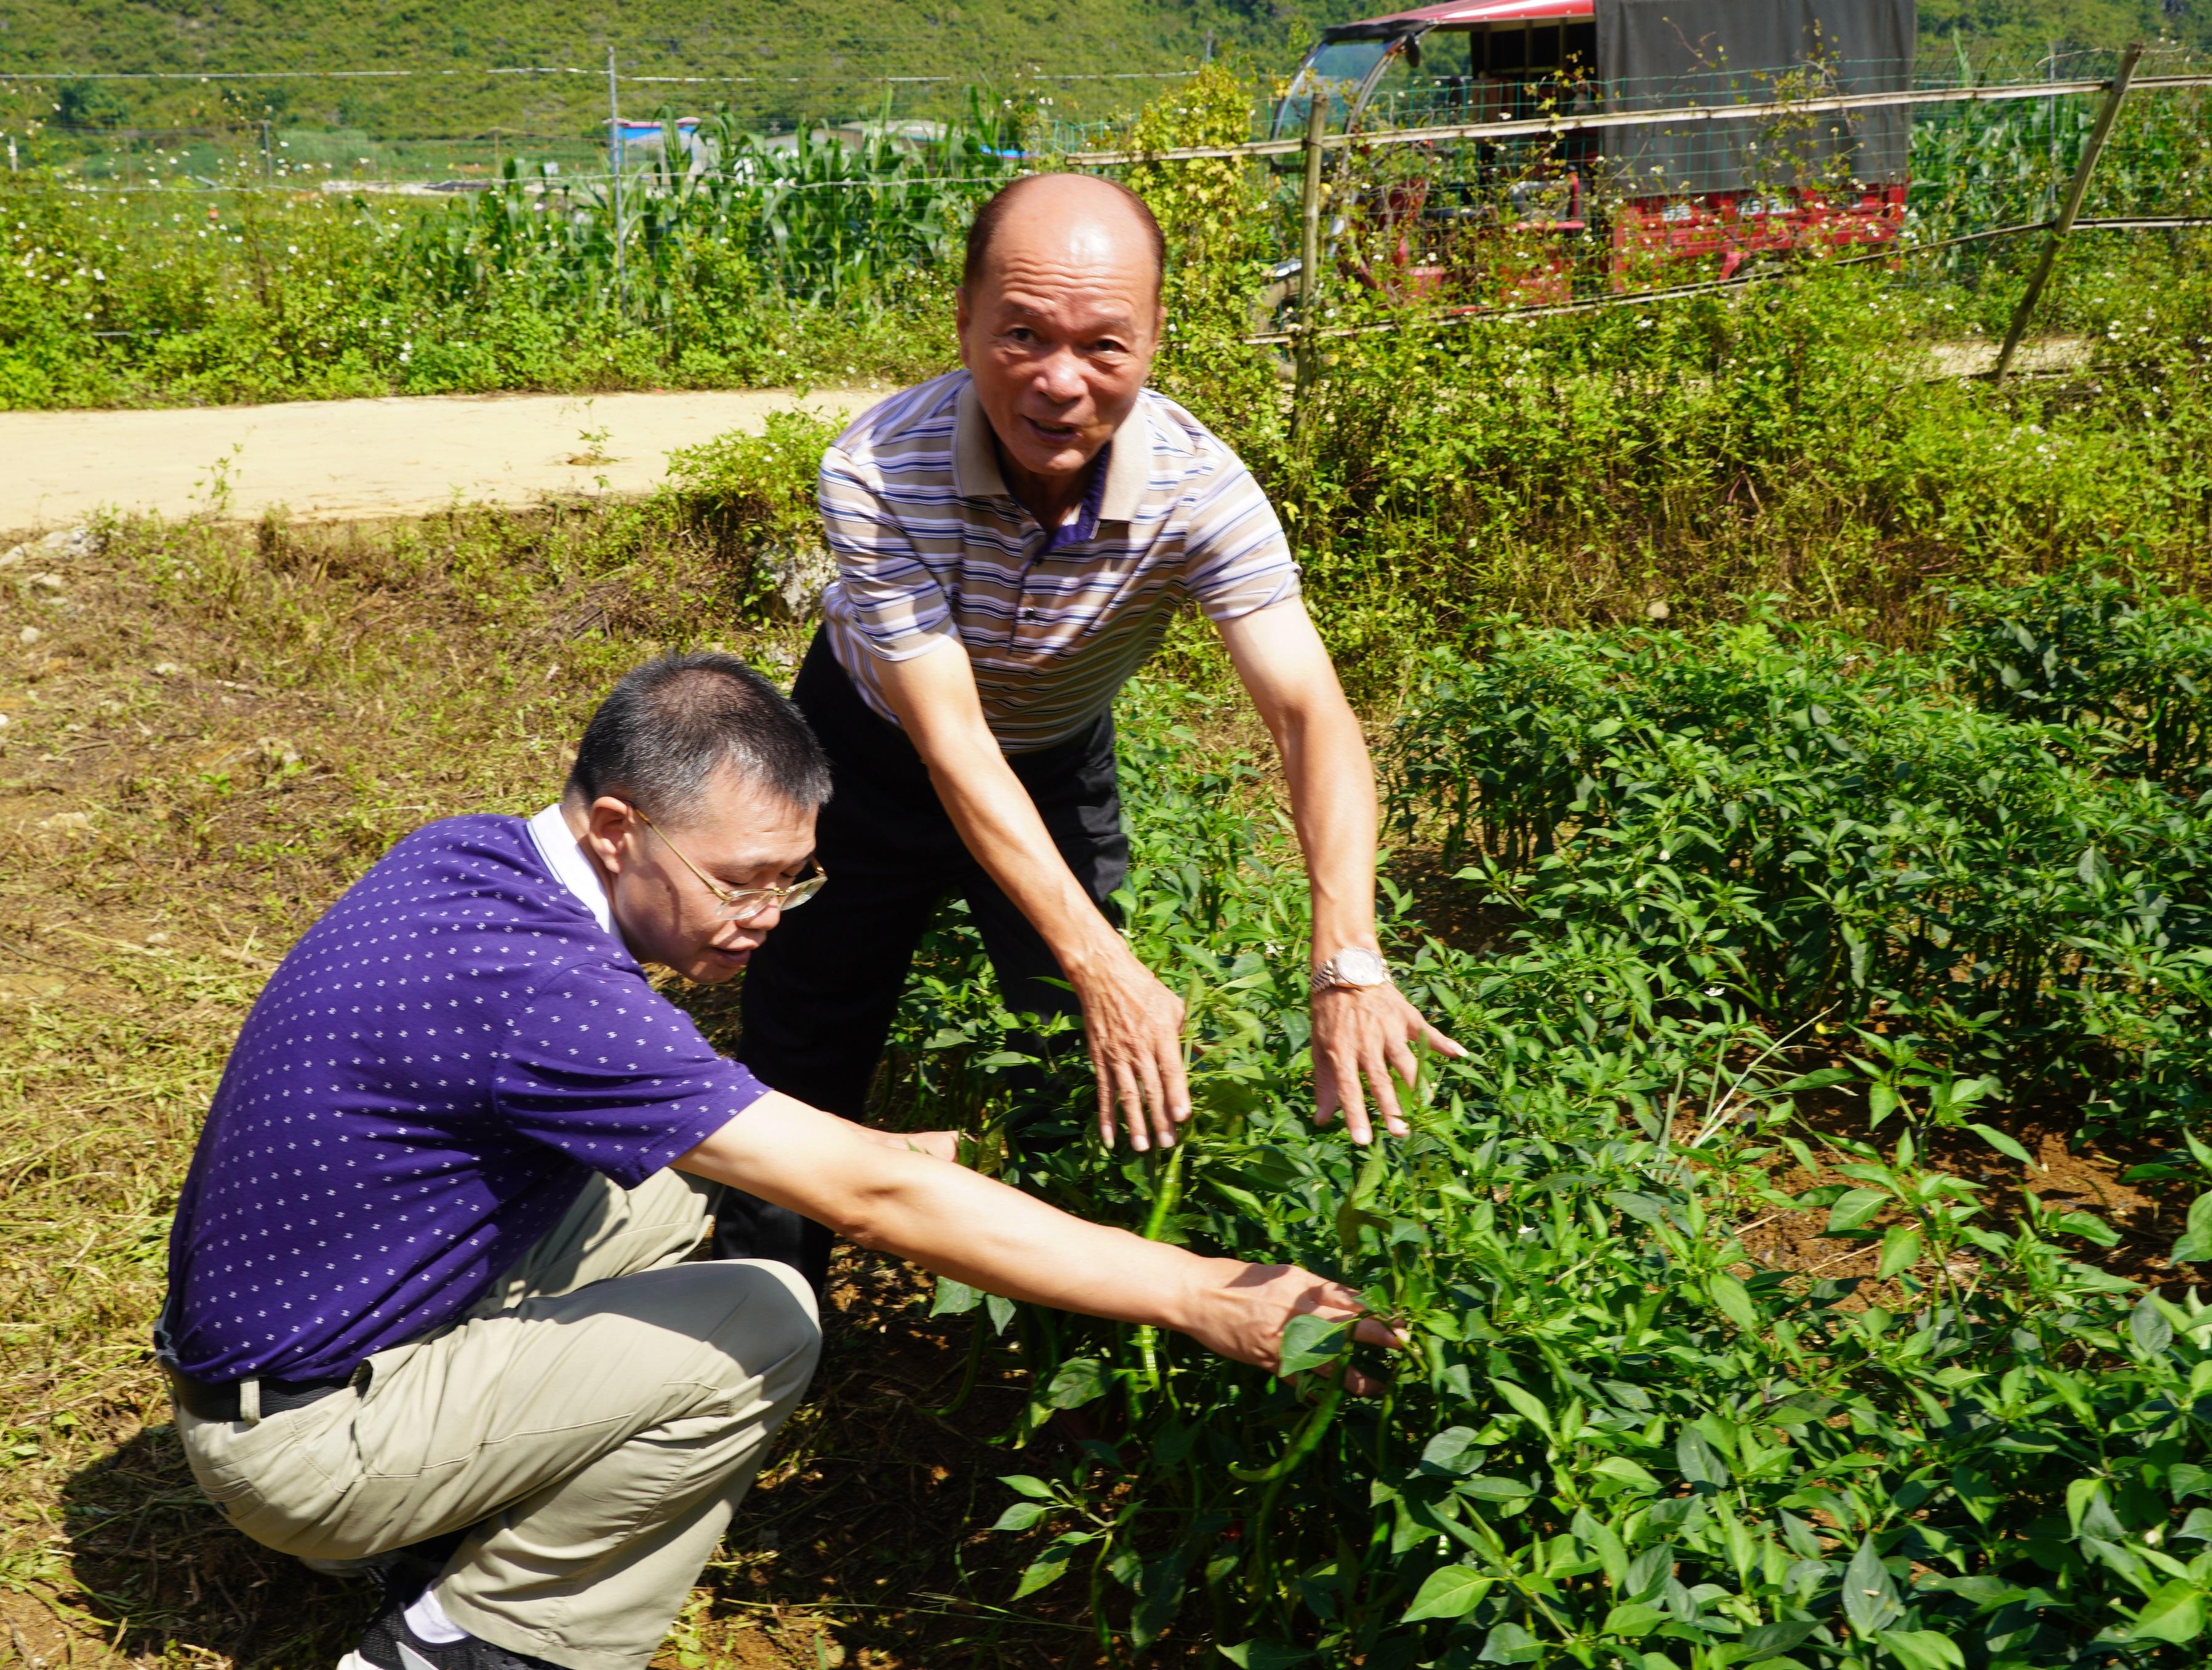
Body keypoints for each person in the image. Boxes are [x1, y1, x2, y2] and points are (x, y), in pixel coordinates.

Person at [159, 654, 1392, 1670]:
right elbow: (873, 1200)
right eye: (742, 882)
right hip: (297, 1444)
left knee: (658, 1193)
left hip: (286, 1347)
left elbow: (795, 1152)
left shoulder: (474, 857)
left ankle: (451, 1494)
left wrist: (864, 1150)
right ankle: (475, 1641)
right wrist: (1200, 1293)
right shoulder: (536, 989)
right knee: (763, 1317)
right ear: (616, 828)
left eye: (795, 881)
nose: (765, 918)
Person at [726, 173, 1463, 1287]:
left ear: (1155, 340)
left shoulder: (1199, 490)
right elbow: (951, 740)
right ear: (963, 321)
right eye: (1021, 334)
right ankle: (765, 1306)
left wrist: (1347, 957)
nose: (1059, 381)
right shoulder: (877, 466)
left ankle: (1064, 1302)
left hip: (1053, 752)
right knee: (808, 1018)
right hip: (863, 751)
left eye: (1103, 345)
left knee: (1077, 1053)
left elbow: (1309, 714)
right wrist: (1103, 962)